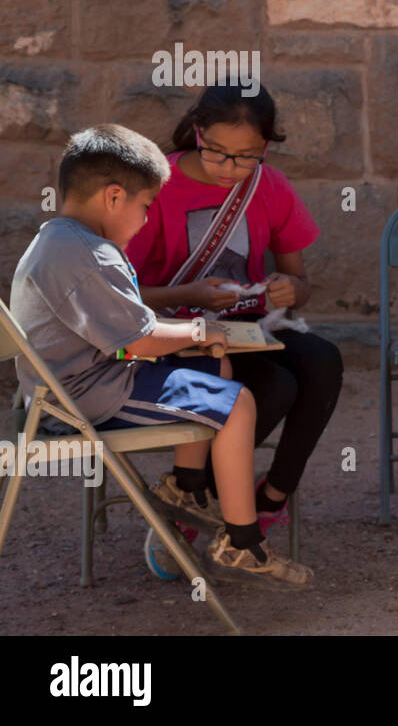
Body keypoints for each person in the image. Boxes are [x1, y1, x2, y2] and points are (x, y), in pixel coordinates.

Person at [10, 125, 312, 586]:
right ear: (114, 197)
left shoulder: (63, 239)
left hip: (79, 382)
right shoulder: (85, 255)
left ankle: (186, 490)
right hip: (82, 397)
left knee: (213, 363)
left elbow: (131, 331)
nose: (147, 218)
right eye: (145, 206)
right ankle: (243, 545)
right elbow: (138, 341)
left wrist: (201, 340)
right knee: (237, 403)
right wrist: (200, 328)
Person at [127, 84, 342, 565]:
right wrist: (188, 295)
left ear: (266, 147)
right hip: (172, 335)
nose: (230, 169)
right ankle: (194, 495)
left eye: (246, 157)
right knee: (275, 388)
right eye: (218, 154)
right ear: (197, 132)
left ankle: (269, 499)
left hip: (245, 326)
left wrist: (292, 289)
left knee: (323, 359)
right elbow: (118, 294)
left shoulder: (270, 186)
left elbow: (299, 279)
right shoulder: (154, 185)